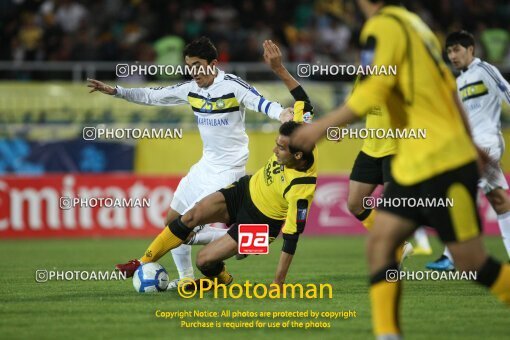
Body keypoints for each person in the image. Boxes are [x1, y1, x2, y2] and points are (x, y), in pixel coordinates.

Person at [291, 1, 510, 338]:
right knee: (380, 245)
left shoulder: (381, 27)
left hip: (440, 159)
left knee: (473, 264)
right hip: (416, 158)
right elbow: (447, 90)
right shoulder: (416, 25)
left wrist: (321, 127)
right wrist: (472, 143)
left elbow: (374, 89)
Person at [87, 36, 292, 283]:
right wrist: (117, 91)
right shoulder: (191, 89)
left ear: (213, 63)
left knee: (187, 224)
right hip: (205, 166)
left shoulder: (233, 86)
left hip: (229, 169)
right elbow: (153, 95)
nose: (193, 71)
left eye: (197, 65)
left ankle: (247, 241)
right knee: (172, 221)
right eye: (189, 66)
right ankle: (196, 272)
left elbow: (261, 103)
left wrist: (282, 113)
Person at [118, 119, 317, 286]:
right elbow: (300, 98)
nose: (274, 150)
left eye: (280, 148)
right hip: (244, 192)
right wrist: (279, 70)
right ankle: (140, 263)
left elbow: (291, 239)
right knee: (189, 217)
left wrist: (278, 284)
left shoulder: (301, 188)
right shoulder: (299, 134)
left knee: (203, 261)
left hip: (261, 224)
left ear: (298, 155)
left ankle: (224, 276)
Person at [427, 30, 510, 271]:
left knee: (460, 191)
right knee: (499, 200)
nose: (452, 55)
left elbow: (507, 91)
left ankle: (451, 256)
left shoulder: (484, 70)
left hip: (488, 142)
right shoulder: (460, 81)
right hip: (471, 146)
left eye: (457, 50)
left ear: (471, 49)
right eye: (449, 51)